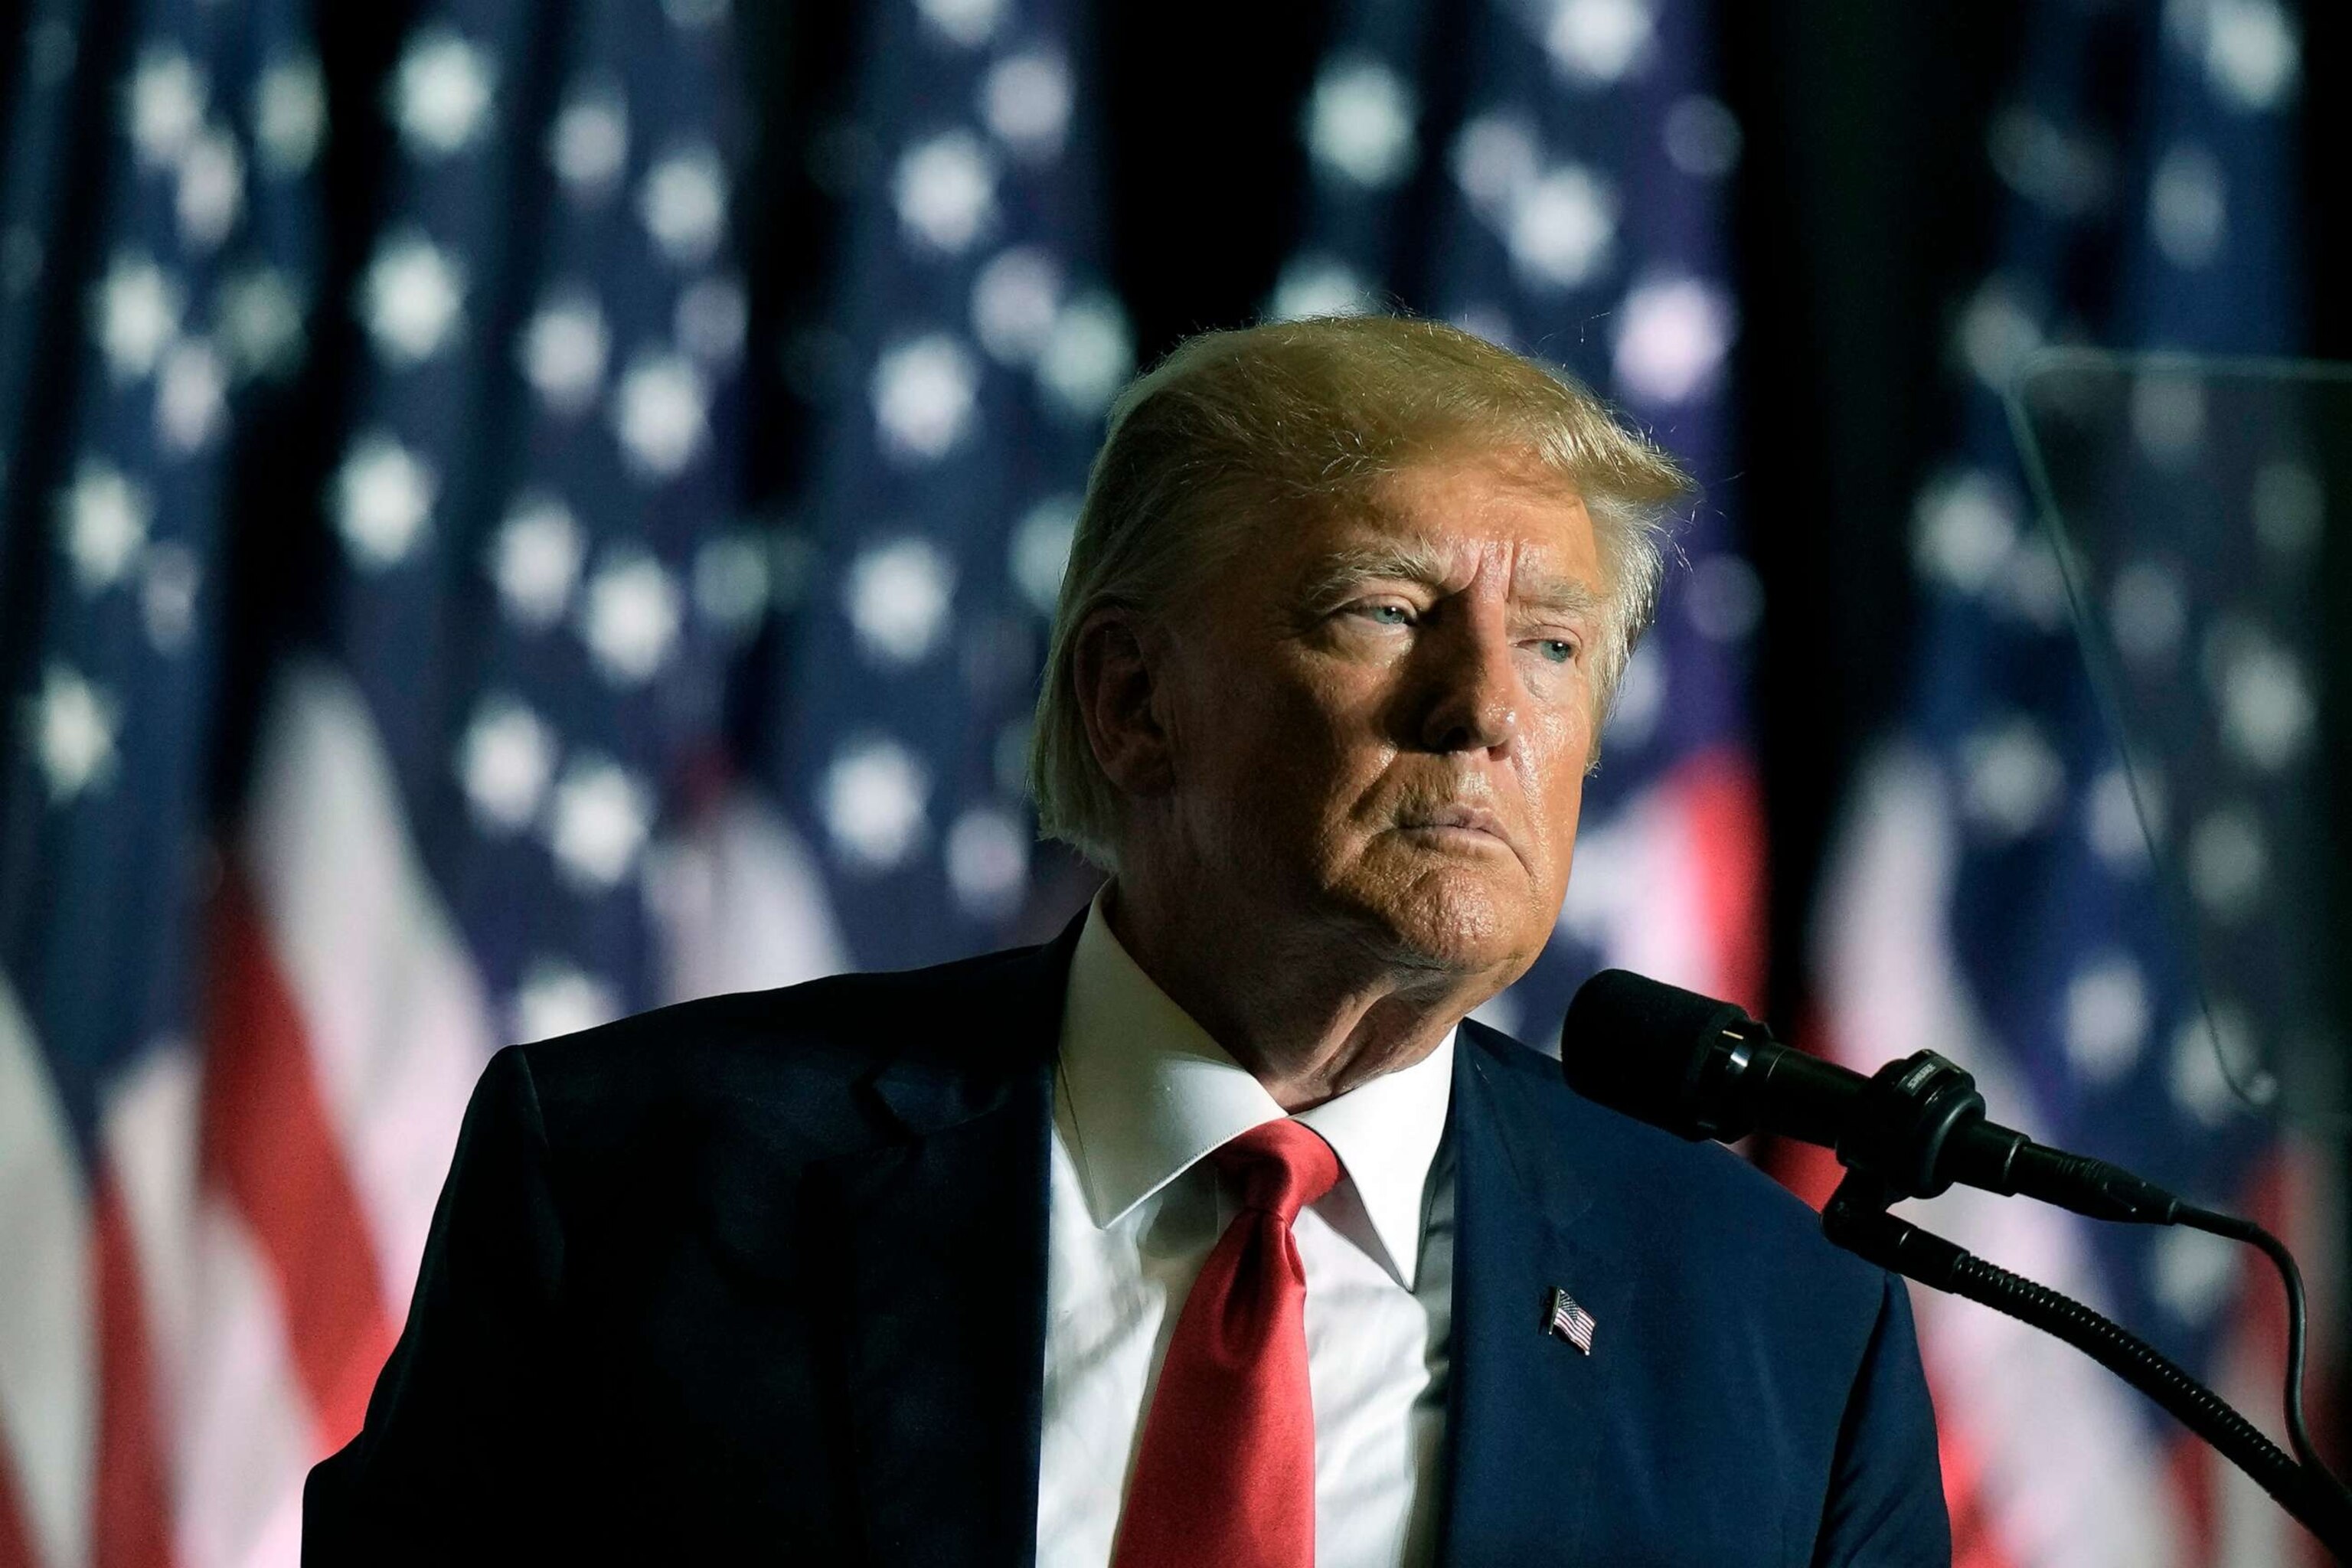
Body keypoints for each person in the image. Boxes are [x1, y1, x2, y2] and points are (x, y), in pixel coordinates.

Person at [303, 315, 1949, 1565]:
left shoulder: (1775, 1324)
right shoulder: (632, 1178)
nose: (1482, 713)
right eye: (1384, 611)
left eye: (1555, 644)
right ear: (1133, 699)